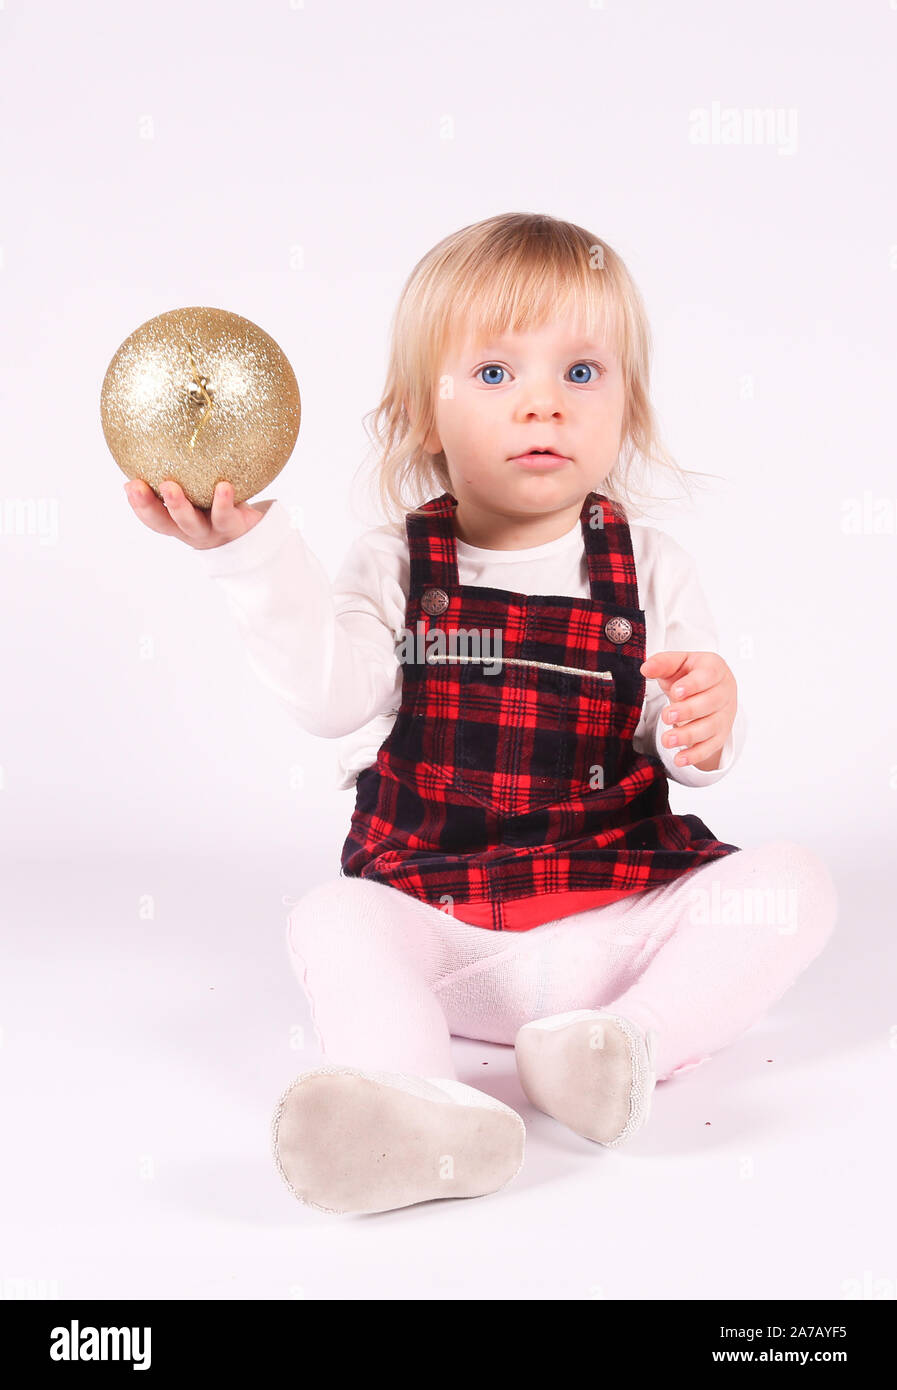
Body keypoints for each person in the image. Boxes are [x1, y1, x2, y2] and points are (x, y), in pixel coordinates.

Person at [125, 212, 838, 1217]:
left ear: (627, 407)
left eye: (582, 372)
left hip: (618, 915)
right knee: (335, 917)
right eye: (497, 374)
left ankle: (623, 1047)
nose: (543, 401)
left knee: (794, 885)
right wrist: (247, 554)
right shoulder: (398, 564)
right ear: (427, 415)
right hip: (450, 935)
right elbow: (332, 701)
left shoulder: (651, 567)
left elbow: (684, 737)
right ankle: (413, 1105)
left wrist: (706, 723)